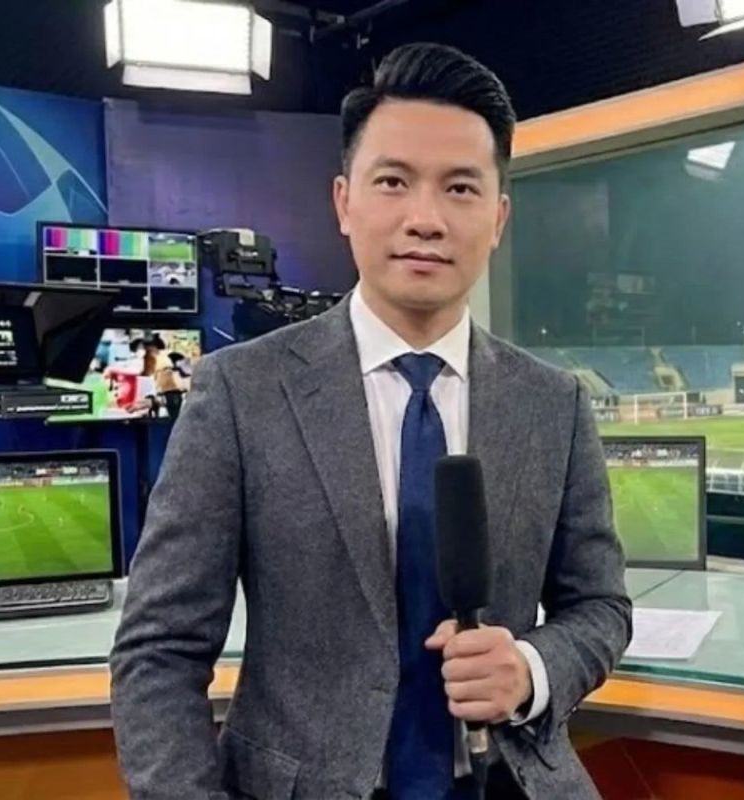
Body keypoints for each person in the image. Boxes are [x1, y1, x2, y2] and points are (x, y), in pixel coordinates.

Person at [110, 42, 631, 800]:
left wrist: (531, 669)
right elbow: (159, 651)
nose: (425, 219)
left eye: (460, 188)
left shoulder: (555, 403)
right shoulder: (240, 393)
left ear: (498, 218)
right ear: (344, 202)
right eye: (393, 181)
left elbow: (600, 607)